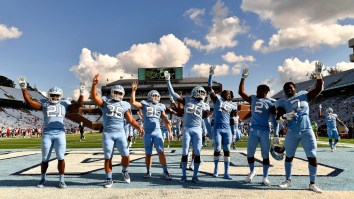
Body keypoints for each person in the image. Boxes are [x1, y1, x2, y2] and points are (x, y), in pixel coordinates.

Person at [17, 76, 84, 188]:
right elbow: (29, 102)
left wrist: (82, 93)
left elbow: (79, 105)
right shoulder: (44, 103)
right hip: (47, 133)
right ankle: (43, 179)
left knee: (61, 157)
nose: (54, 97)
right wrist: (24, 89)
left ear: (60, 96)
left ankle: (61, 180)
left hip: (60, 133)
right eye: (52, 95)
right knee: (44, 158)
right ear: (49, 95)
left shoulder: (64, 104)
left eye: (56, 95)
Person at [275, 61, 325, 193]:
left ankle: (312, 183)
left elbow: (318, 89)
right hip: (292, 131)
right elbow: (278, 118)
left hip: (307, 130)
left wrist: (319, 75)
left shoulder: (303, 95)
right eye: (286, 89)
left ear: (295, 88)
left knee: (312, 156)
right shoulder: (282, 102)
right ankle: (287, 180)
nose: (288, 90)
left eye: (290, 88)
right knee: (289, 156)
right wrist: (287, 116)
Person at [91, 74, 144, 188]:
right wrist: (94, 85)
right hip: (108, 133)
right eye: (116, 92)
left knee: (126, 156)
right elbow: (95, 98)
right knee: (108, 157)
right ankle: (109, 178)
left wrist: (139, 127)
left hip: (120, 133)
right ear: (112, 92)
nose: (117, 95)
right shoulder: (105, 101)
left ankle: (124, 171)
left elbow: (130, 120)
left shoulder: (124, 104)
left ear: (122, 95)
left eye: (120, 93)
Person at [165, 71, 211, 183]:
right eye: (198, 91)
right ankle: (184, 176)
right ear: (194, 92)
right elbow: (173, 93)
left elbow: (207, 120)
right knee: (185, 152)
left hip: (198, 129)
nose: (200, 93)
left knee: (197, 153)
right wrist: (168, 81)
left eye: (202, 92)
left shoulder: (205, 105)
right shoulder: (187, 100)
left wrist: (210, 132)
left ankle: (195, 176)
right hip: (186, 129)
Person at [238, 68, 279, 186]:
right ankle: (252, 171)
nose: (257, 92)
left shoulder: (272, 102)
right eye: (257, 90)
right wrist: (243, 78)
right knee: (250, 154)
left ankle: (265, 177)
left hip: (265, 130)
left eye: (260, 91)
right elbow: (241, 93)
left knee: (265, 155)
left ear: (265, 92)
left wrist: (276, 133)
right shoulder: (253, 98)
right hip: (253, 129)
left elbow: (275, 119)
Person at [130, 81, 173, 180]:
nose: (155, 98)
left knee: (161, 152)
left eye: (157, 96)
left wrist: (170, 131)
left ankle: (165, 171)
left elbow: (165, 119)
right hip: (147, 132)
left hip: (157, 131)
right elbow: (133, 102)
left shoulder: (161, 106)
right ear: (149, 96)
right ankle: (148, 171)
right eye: (153, 96)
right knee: (148, 153)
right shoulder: (145, 103)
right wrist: (133, 91)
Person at [208, 66, 237, 180]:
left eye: (229, 93)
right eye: (225, 92)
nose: (227, 94)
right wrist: (210, 74)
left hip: (227, 129)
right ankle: (216, 169)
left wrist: (234, 132)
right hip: (217, 128)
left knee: (227, 150)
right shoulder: (217, 99)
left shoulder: (233, 105)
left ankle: (226, 172)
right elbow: (210, 88)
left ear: (231, 96)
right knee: (217, 149)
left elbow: (233, 119)